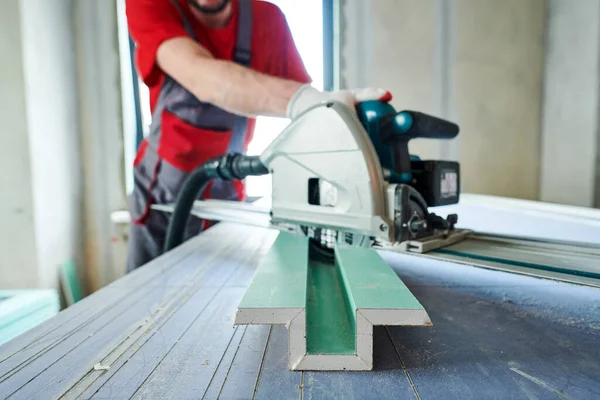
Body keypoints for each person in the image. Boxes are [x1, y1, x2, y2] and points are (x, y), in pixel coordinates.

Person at [124, 0, 391, 272]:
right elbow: (201, 76)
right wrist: (307, 100)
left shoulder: (267, 18)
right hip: (161, 200)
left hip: (226, 196)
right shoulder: (150, 4)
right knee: (146, 304)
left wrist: (350, 143)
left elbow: (309, 116)